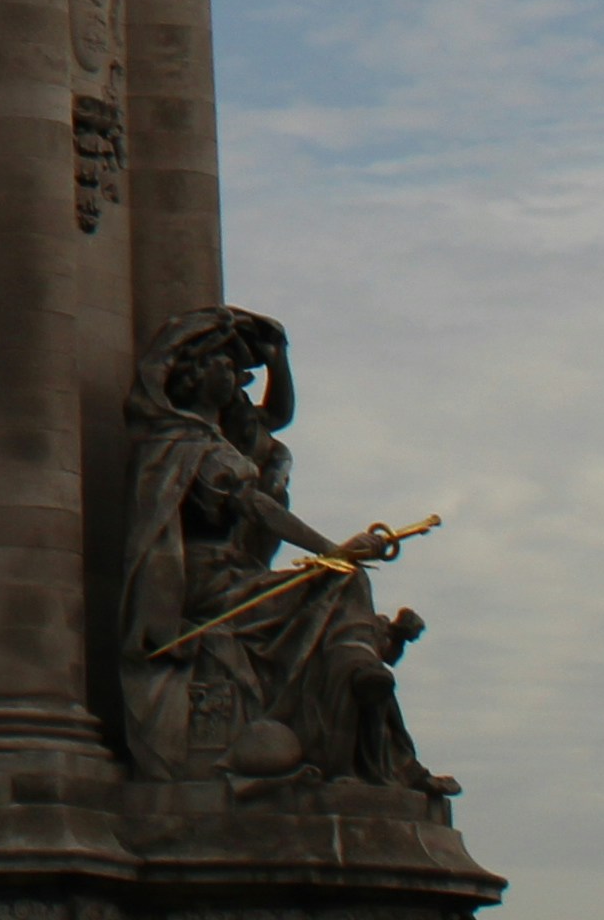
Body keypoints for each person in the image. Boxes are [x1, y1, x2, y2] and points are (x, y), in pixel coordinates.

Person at [118, 308, 450, 794]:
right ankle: (363, 688)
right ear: (192, 374)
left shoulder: (211, 439)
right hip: (207, 584)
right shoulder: (185, 442)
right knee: (343, 578)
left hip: (233, 575)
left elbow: (276, 418)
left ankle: (371, 704)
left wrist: (278, 358)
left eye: (235, 365)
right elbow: (255, 507)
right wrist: (334, 549)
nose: (233, 374)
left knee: (343, 586)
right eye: (223, 363)